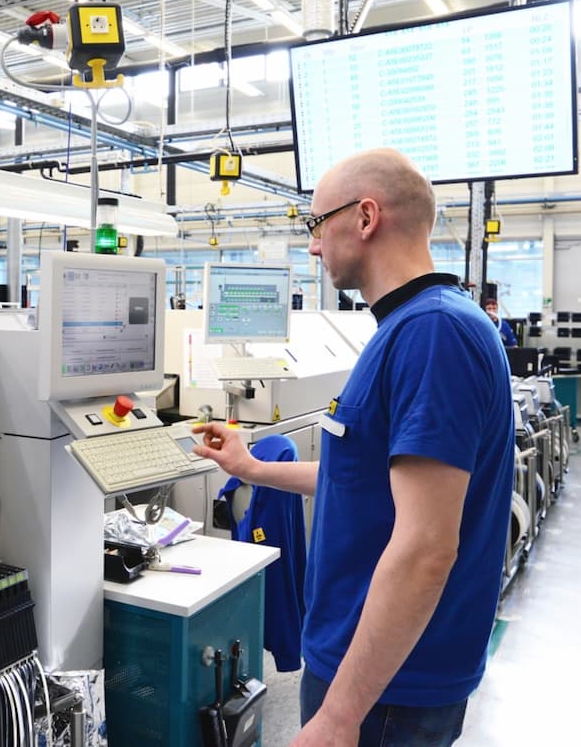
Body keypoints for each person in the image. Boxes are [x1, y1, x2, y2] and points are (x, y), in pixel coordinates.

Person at [193, 149, 514, 747]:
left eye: (316, 225)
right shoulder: (412, 327)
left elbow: (425, 548)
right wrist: (251, 467)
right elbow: (364, 478)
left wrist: (340, 717)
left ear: (366, 217)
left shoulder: (432, 334)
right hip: (374, 670)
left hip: (388, 690)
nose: (313, 245)